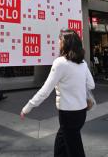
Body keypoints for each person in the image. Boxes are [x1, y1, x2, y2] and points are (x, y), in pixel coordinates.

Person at [20, 29, 95, 157]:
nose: (58, 42)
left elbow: (45, 90)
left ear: (65, 43)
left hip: (68, 114)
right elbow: (91, 85)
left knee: (74, 149)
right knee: (61, 145)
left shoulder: (60, 63)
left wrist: (28, 107)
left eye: (60, 40)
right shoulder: (82, 63)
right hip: (81, 112)